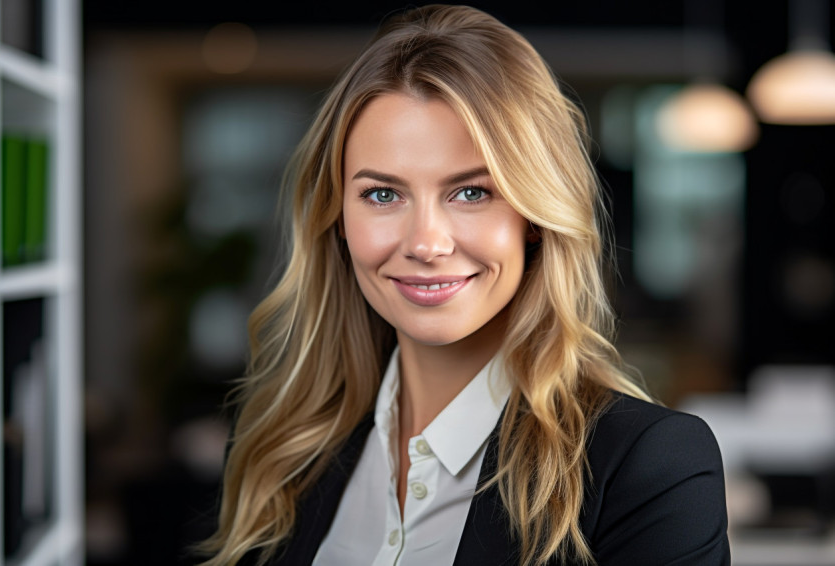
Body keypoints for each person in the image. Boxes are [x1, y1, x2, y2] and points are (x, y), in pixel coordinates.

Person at [198, 4, 730, 565]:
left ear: (534, 217)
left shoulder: (649, 469)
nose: (426, 244)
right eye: (383, 194)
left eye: (472, 192)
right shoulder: (282, 452)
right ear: (338, 221)